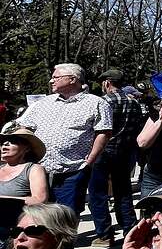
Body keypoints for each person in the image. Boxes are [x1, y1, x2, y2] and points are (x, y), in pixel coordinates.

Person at [17, 63, 113, 213]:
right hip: (39, 171)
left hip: (73, 170)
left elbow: (104, 132)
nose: (51, 81)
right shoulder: (42, 103)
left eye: (56, 77)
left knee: (67, 215)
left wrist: (90, 161)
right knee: (38, 214)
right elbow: (24, 127)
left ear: (72, 79)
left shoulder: (96, 103)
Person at [88, 69, 142, 246]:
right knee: (123, 192)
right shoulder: (134, 103)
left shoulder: (102, 102)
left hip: (102, 152)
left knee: (98, 194)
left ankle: (105, 234)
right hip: (124, 152)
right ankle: (130, 230)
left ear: (107, 83)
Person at [0, 127, 49, 206]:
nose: (5, 143)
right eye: (2, 142)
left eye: (13, 140)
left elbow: (40, 199)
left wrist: (4, 199)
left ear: (27, 148)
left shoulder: (33, 169)